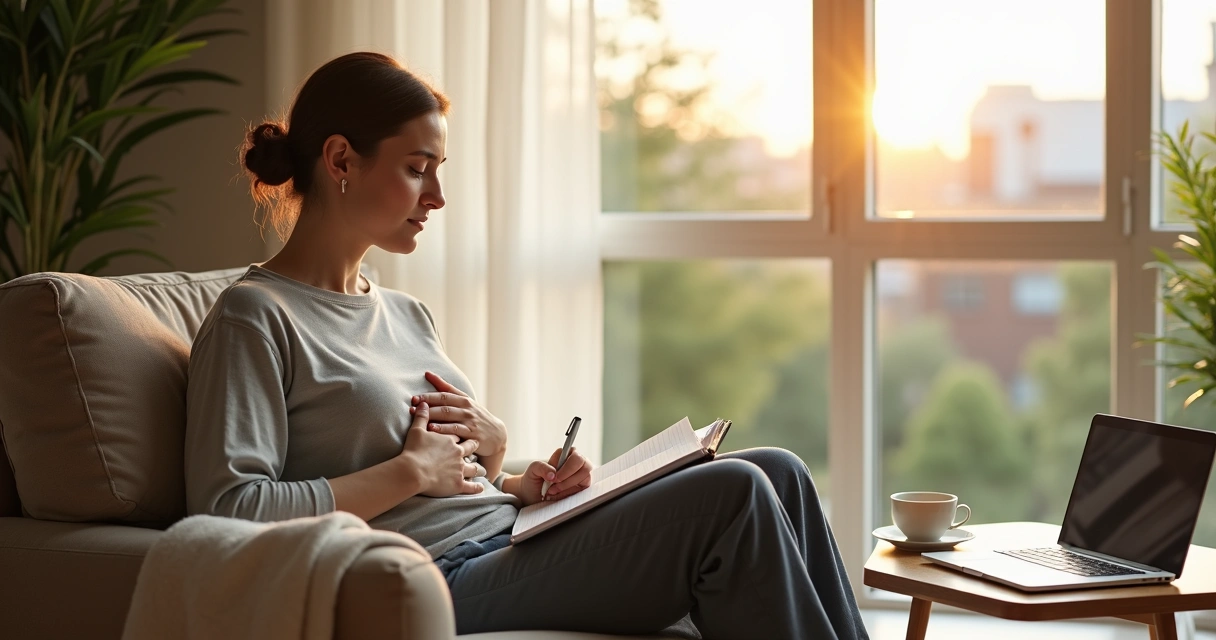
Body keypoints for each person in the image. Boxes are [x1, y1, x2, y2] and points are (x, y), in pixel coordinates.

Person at [184, 51, 869, 640]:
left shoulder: (404, 311)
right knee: (737, 492)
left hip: (509, 532)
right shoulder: (255, 318)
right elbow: (228, 512)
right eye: (419, 168)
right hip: (436, 573)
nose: (439, 196)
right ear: (341, 159)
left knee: (780, 469)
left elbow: (454, 478)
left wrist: (513, 474)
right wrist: (408, 473)